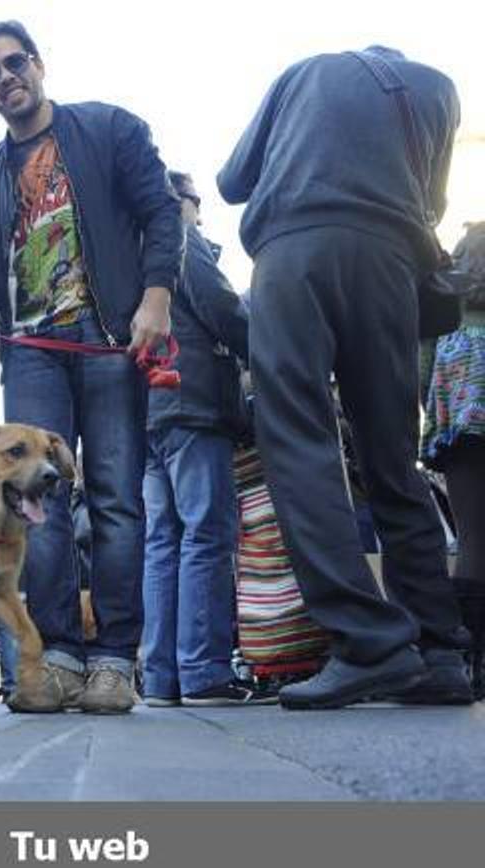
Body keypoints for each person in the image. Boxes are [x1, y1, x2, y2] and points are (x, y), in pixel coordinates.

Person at [217, 46, 471, 708]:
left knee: (301, 444)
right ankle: (440, 649)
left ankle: (369, 643)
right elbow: (432, 200)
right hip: (390, 261)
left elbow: (231, 179)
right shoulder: (439, 87)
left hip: (295, 250)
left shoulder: (303, 72)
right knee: (394, 459)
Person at [0, 21, 183, 713]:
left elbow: (161, 213)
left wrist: (156, 297)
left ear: (38, 64)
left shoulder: (110, 129)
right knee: (35, 505)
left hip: (111, 338)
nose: (5, 78)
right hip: (30, 352)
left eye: (13, 62)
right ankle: (54, 657)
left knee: (115, 499)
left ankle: (115, 659)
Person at [139, 171, 272, 707]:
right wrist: (269, 352)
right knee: (207, 535)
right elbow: (224, 309)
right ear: (185, 203)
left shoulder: (131, 248)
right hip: (193, 401)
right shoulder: (181, 237)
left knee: (162, 543)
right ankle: (204, 672)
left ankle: (161, 679)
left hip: (148, 410)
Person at [421, 222, 485, 699]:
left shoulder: (447, 311)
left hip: (461, 438)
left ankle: (471, 661)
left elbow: (422, 377)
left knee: (472, 541)